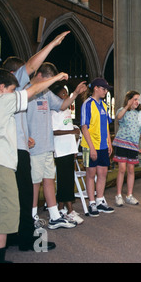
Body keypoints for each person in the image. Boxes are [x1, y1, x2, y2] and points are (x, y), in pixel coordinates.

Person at [0, 68, 68, 263]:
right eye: (11, 89)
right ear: (1, 87)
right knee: (3, 213)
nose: (13, 94)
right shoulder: (3, 100)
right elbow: (31, 91)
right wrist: (57, 78)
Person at [2, 30, 70, 251]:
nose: (25, 75)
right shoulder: (14, 92)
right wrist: (52, 44)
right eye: (21, 72)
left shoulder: (16, 94)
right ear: (13, 74)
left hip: (20, 147)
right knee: (23, 193)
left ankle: (18, 234)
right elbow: (31, 66)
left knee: (20, 195)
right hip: (16, 150)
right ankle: (24, 237)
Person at [27, 62, 87, 229]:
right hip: (34, 147)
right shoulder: (26, 92)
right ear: (40, 76)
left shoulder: (46, 93)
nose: (50, 85)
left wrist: (75, 93)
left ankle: (54, 216)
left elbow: (62, 105)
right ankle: (32, 216)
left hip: (48, 146)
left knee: (49, 181)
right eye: (49, 80)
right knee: (34, 183)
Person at [80, 78, 115, 217]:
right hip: (89, 146)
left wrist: (109, 142)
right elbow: (84, 127)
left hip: (103, 146)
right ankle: (92, 203)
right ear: (95, 88)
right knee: (91, 174)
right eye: (103, 89)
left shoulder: (105, 105)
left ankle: (100, 201)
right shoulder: (87, 104)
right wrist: (92, 148)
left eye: (106, 89)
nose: (105, 91)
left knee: (102, 174)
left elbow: (106, 125)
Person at [51, 85, 84, 224]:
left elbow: (69, 128)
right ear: (56, 97)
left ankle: (62, 208)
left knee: (69, 179)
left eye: (66, 93)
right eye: (63, 93)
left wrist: (74, 150)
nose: (66, 95)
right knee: (64, 181)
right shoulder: (54, 112)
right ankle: (68, 210)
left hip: (69, 149)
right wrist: (71, 132)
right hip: (61, 150)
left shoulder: (67, 112)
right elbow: (54, 131)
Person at [112, 90, 141, 206]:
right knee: (122, 169)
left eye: (138, 100)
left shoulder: (139, 114)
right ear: (129, 100)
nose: (137, 102)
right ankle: (118, 195)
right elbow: (118, 117)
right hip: (122, 143)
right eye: (135, 99)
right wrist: (127, 106)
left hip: (133, 145)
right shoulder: (122, 110)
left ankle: (129, 195)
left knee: (131, 170)